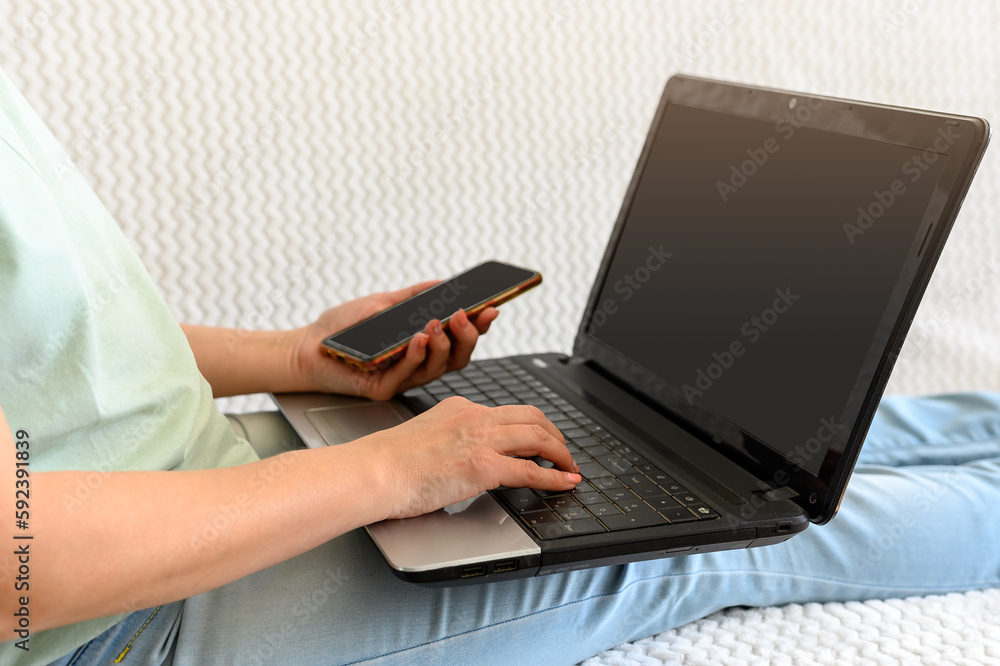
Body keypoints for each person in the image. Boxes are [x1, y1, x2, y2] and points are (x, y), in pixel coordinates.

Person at [1, 66, 998, 666]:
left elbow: (50, 349)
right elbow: (19, 568)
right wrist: (386, 470)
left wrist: (294, 358)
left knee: (730, 448)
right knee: (695, 537)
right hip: (121, 624)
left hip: (210, 466)